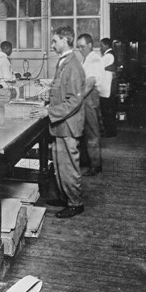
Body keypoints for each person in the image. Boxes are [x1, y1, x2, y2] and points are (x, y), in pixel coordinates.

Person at [31, 25, 85, 219]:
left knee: (68, 166)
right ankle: (65, 197)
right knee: (60, 165)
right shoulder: (64, 62)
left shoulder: (73, 65)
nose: (52, 45)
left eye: (54, 41)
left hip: (68, 126)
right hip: (60, 125)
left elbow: (74, 100)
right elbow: (62, 90)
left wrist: (48, 111)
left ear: (65, 40)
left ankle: (75, 203)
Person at [76, 34, 103, 176]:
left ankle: (95, 165)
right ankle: (87, 161)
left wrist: (77, 98)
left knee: (92, 132)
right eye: (79, 47)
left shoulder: (94, 60)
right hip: (86, 97)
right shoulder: (87, 59)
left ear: (90, 45)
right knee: (85, 131)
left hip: (89, 97)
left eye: (83, 46)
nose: (80, 49)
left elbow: (90, 83)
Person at [99, 38, 117, 137]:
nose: (100, 48)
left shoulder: (109, 55)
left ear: (106, 45)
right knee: (106, 111)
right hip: (105, 86)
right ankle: (108, 130)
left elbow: (98, 66)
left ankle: (110, 132)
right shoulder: (108, 55)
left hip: (107, 87)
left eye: (101, 46)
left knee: (107, 111)